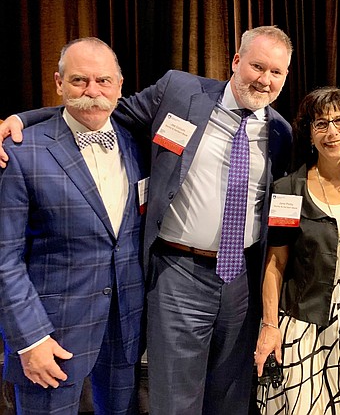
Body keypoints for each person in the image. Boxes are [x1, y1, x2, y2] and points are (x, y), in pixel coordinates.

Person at [0, 26, 294, 414]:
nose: (265, 79)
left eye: (276, 72)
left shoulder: (280, 132)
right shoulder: (180, 91)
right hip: (179, 272)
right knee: (175, 401)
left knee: (231, 397)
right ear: (237, 61)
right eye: (258, 66)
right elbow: (100, 107)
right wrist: (23, 119)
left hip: (240, 278)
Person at [0, 37, 147, 414]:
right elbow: (4, 259)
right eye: (80, 80)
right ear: (59, 83)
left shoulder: (137, 144)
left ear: (119, 86)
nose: (92, 91)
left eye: (103, 81)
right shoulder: (21, 152)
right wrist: (29, 339)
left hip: (124, 327)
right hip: (50, 332)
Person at [254, 86, 340, 414]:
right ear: (308, 134)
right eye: (321, 124)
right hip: (303, 318)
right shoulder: (288, 190)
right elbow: (275, 263)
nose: (332, 132)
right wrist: (270, 327)